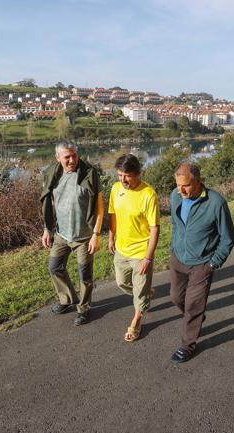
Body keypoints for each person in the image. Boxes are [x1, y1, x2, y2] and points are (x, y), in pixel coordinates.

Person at [169, 162, 234, 363]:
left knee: (193, 305)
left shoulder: (216, 203)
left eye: (186, 185)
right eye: (178, 185)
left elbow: (228, 238)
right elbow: (175, 224)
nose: (181, 190)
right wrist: (174, 247)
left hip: (203, 263)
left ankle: (187, 345)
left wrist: (214, 263)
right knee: (175, 298)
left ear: (198, 181)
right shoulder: (175, 196)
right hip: (178, 258)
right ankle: (196, 317)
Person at [40, 141, 103, 326]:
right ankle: (67, 300)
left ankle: (84, 309)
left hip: (84, 237)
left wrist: (96, 234)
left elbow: (100, 208)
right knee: (54, 268)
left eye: (74, 155)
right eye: (67, 157)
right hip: (61, 235)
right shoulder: (52, 174)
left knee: (85, 275)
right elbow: (48, 204)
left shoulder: (90, 173)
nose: (72, 160)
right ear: (57, 158)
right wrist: (47, 229)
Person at [108, 154, 160, 342]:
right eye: (120, 175)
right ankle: (145, 294)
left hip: (140, 252)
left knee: (139, 293)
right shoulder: (115, 189)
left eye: (127, 176)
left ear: (137, 173)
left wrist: (148, 257)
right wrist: (111, 237)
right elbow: (113, 214)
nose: (122, 180)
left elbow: (155, 228)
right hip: (122, 248)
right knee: (121, 282)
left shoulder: (148, 194)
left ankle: (136, 322)